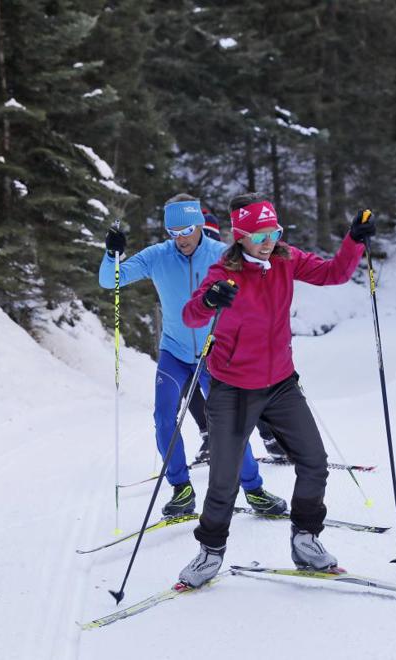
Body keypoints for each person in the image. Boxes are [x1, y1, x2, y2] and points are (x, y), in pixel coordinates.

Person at [177, 192, 375, 587]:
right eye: (259, 233)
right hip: (232, 388)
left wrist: (354, 240)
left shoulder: (286, 258)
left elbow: (333, 273)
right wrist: (210, 300)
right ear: (239, 235)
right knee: (223, 479)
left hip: (281, 383)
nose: (269, 240)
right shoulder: (224, 273)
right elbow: (191, 314)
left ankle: (305, 540)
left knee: (314, 462)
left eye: (274, 230)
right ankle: (210, 553)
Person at [98, 194, 287, 517]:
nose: (180, 238)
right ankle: (181, 488)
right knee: (163, 417)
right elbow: (109, 279)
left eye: (186, 229)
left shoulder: (221, 255)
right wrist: (111, 253)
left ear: (199, 224)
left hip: (216, 353)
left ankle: (254, 490)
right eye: (172, 232)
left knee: (230, 424)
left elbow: (262, 278)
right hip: (174, 351)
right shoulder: (157, 256)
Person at [191, 209, 289, 463]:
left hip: (223, 342)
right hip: (194, 337)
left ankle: (269, 437)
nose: (205, 241)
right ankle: (208, 438)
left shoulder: (226, 258)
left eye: (210, 235)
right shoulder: (177, 255)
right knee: (195, 394)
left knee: (250, 391)